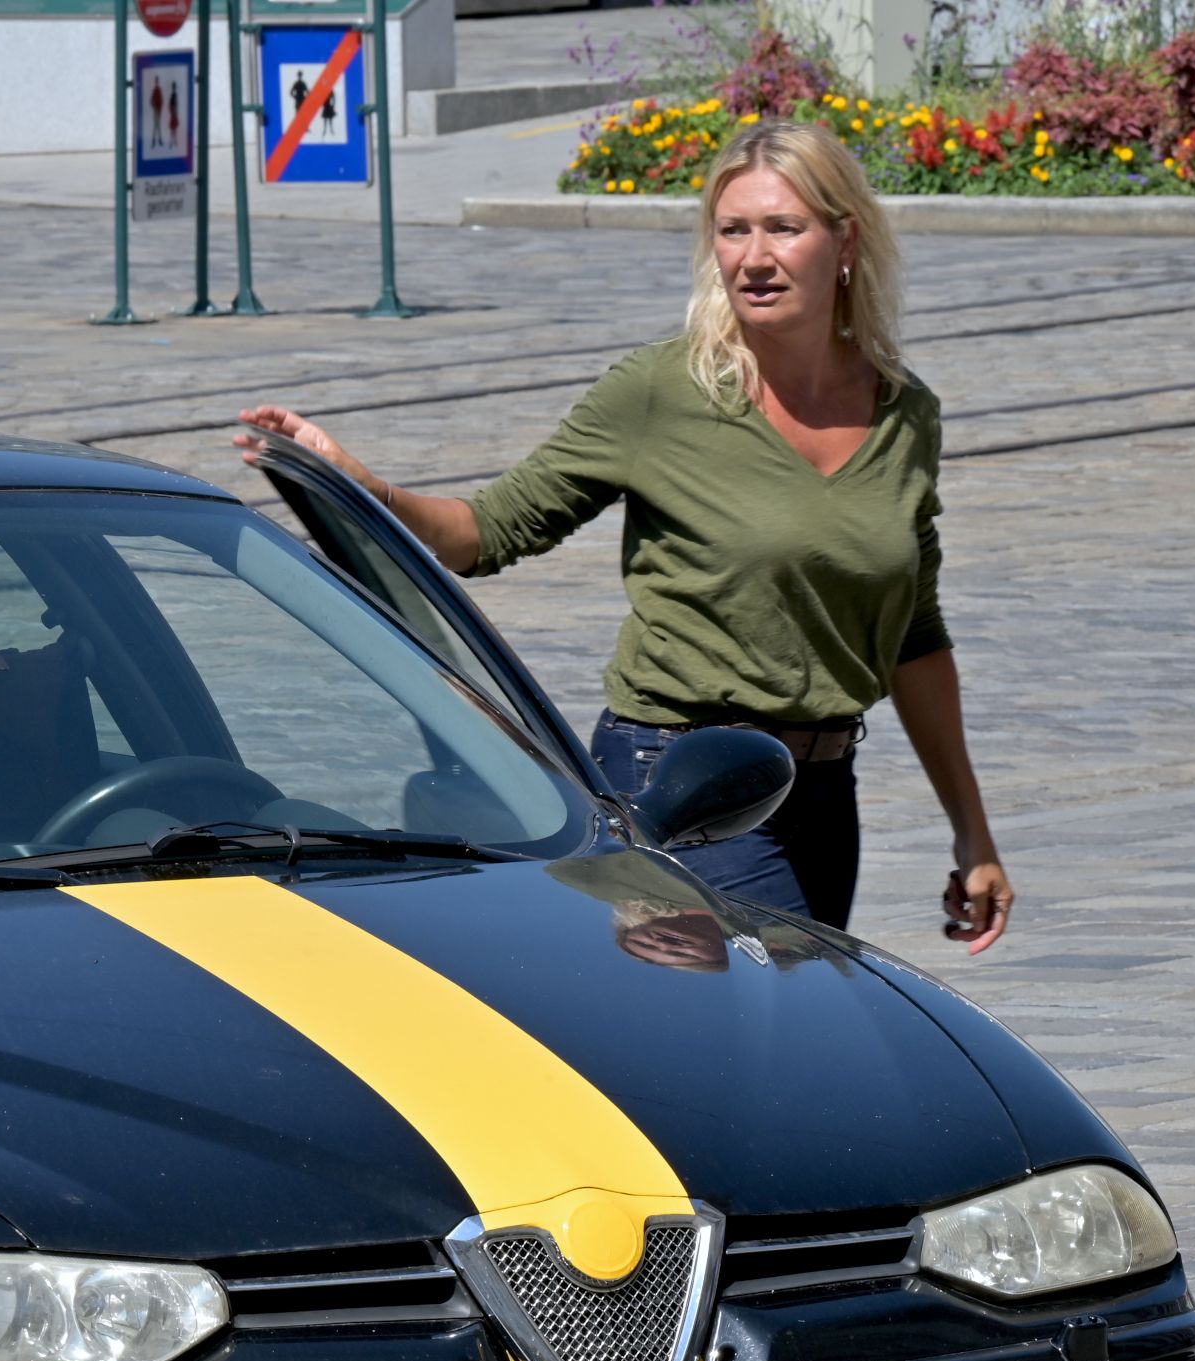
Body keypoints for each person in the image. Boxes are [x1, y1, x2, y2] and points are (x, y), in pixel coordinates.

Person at [235, 120, 1013, 951]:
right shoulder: (661, 393)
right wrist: (364, 486)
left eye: (783, 228)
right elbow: (487, 532)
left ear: (844, 239)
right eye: (732, 229)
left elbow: (915, 637)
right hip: (683, 784)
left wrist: (973, 833)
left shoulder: (903, 413)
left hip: (823, 791)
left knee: (780, 1049)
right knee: (753, 1027)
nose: (754, 257)